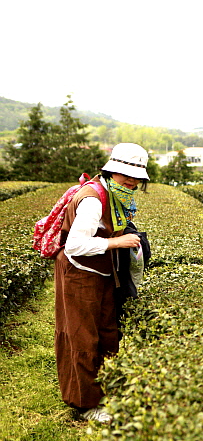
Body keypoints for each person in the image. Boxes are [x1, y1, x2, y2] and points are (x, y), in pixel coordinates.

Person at [55, 143, 150, 423]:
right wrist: (117, 242)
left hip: (102, 271)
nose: (131, 183)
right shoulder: (93, 199)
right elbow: (75, 245)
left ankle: (104, 391)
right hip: (79, 272)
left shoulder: (112, 194)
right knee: (83, 336)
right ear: (112, 172)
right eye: (126, 177)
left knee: (108, 331)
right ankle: (84, 404)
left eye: (137, 180)